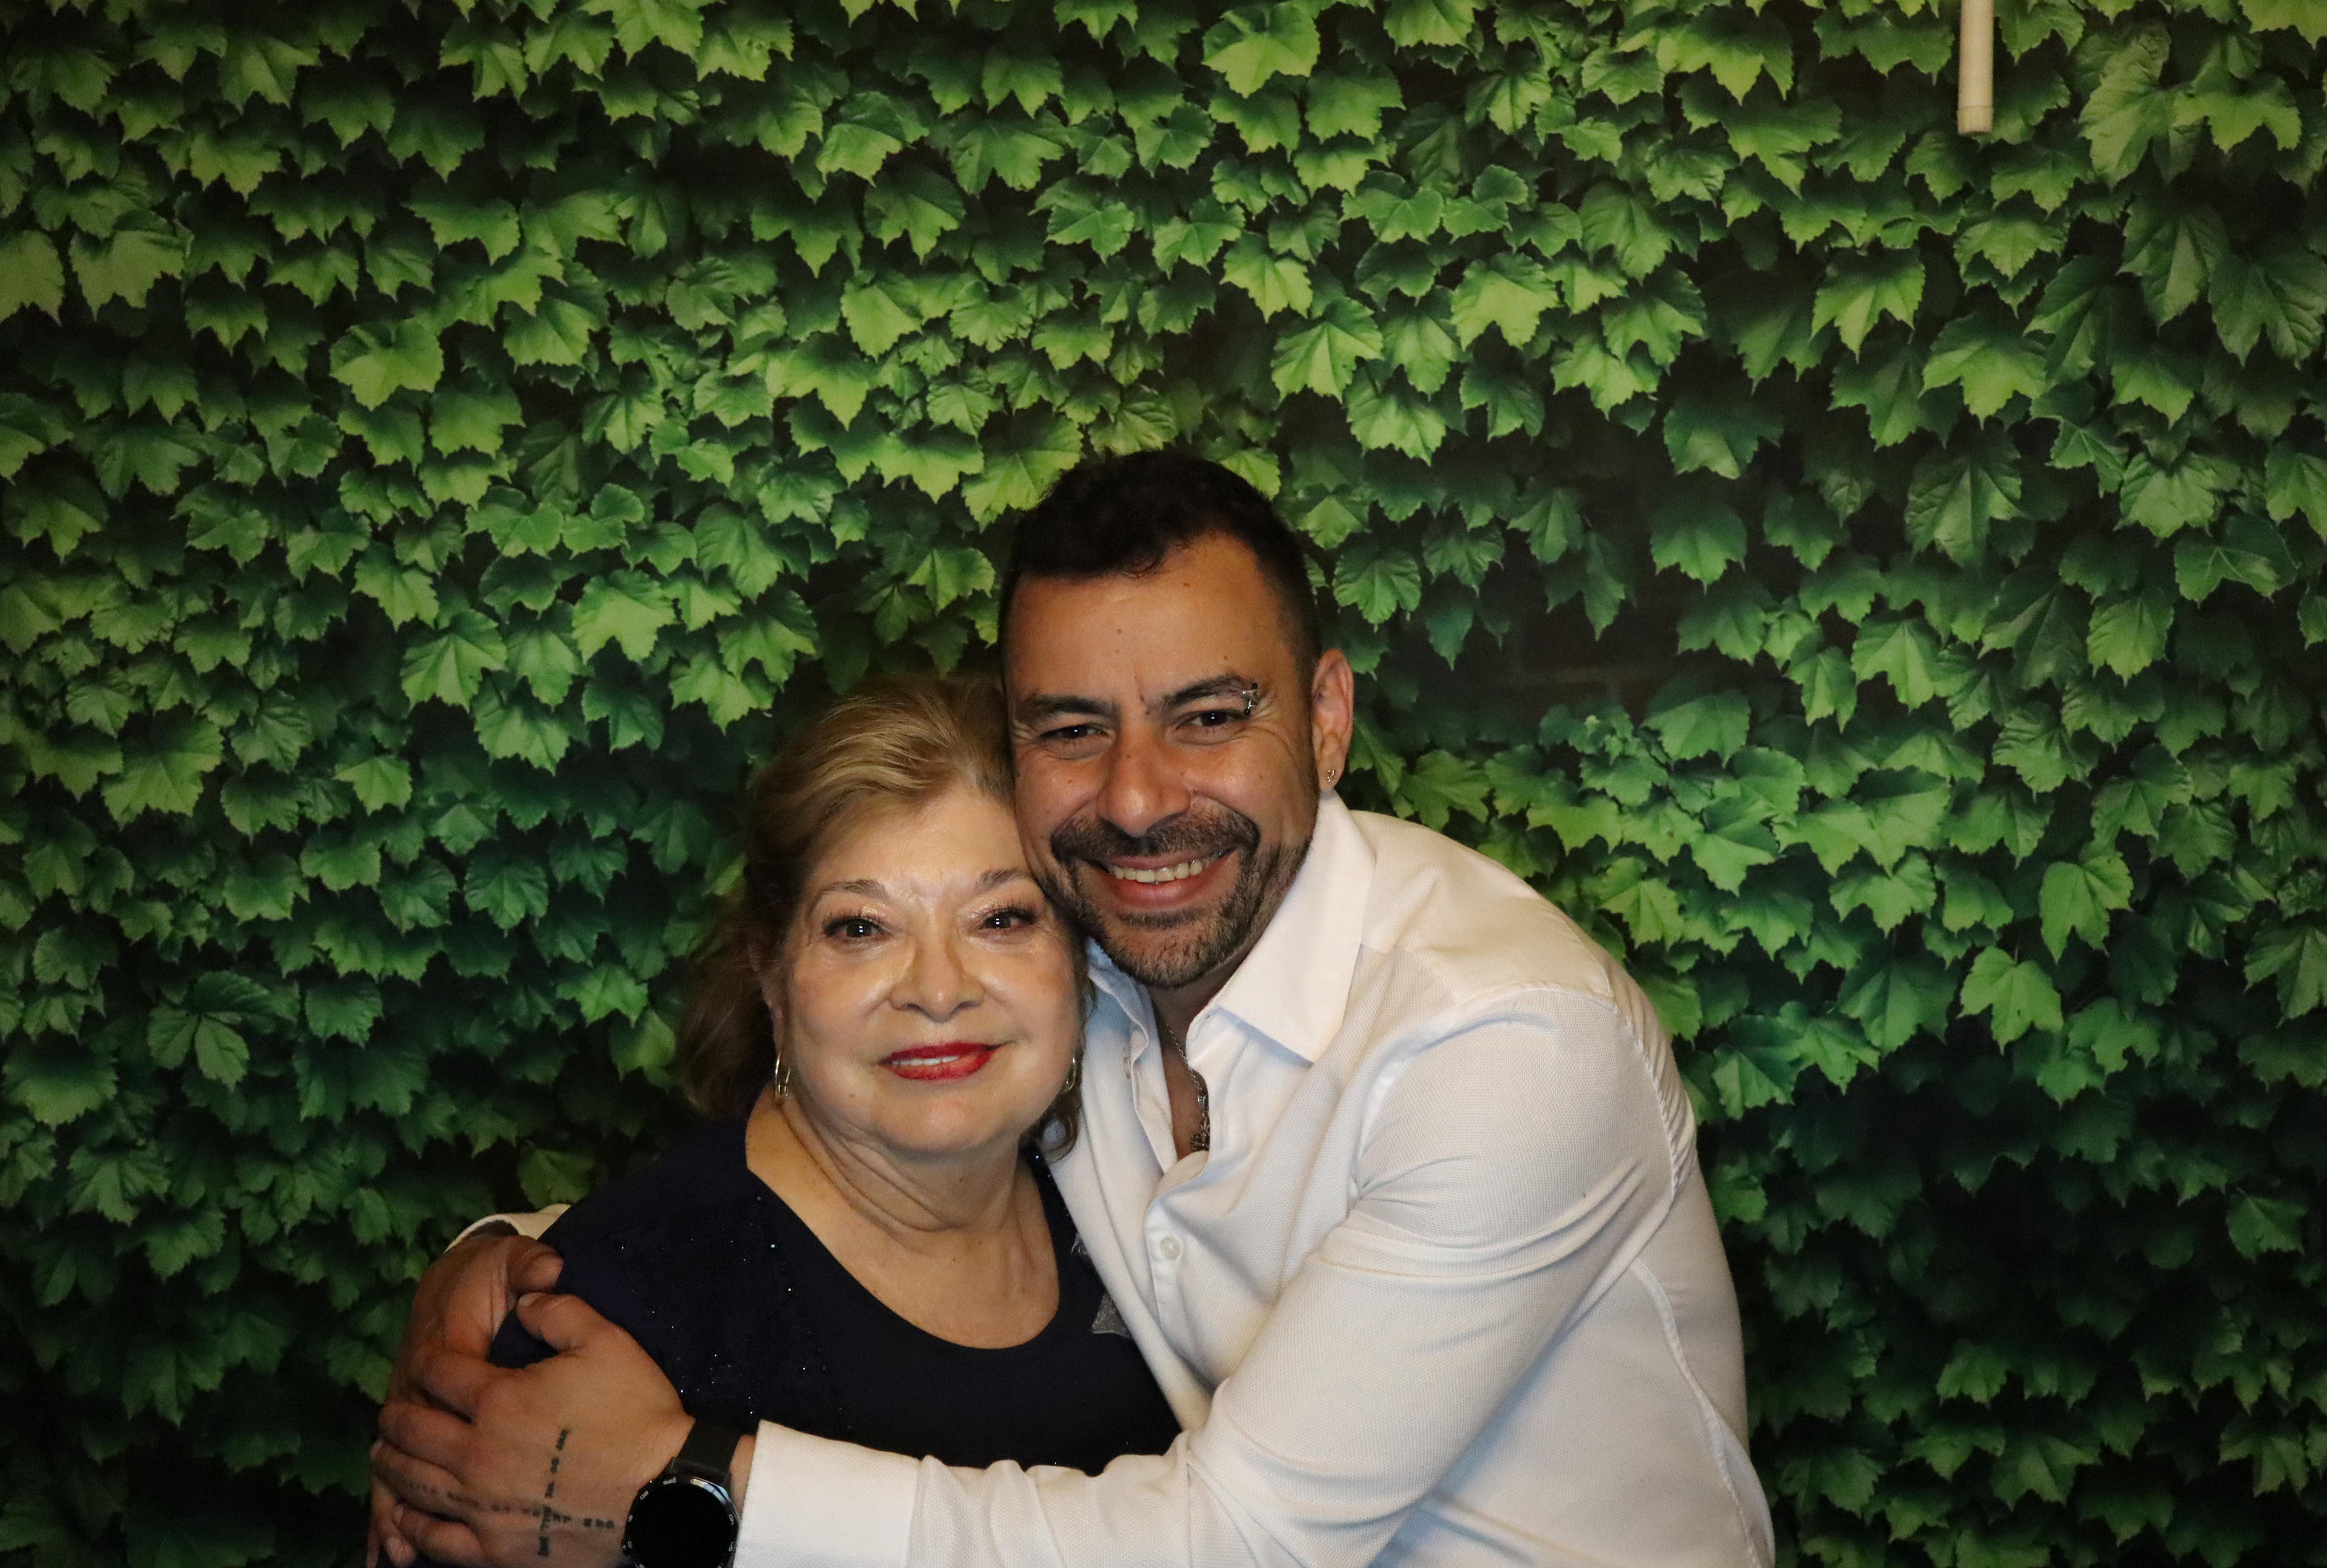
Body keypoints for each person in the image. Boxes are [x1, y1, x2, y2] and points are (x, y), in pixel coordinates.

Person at [374, 451, 1776, 1567]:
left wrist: (694, 1486)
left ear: (1327, 719)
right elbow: (881, 1120)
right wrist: (516, 1264)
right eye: (1072, 728)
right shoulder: (1091, 964)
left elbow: (1237, 1544)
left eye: (1208, 716)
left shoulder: (1506, 1039)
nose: (1139, 798)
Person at [374, 674, 1177, 1567]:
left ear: (1081, 957)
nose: (939, 988)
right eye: (861, 928)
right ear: (770, 971)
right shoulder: (600, 1317)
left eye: (1002, 917)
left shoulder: (1140, 1202)